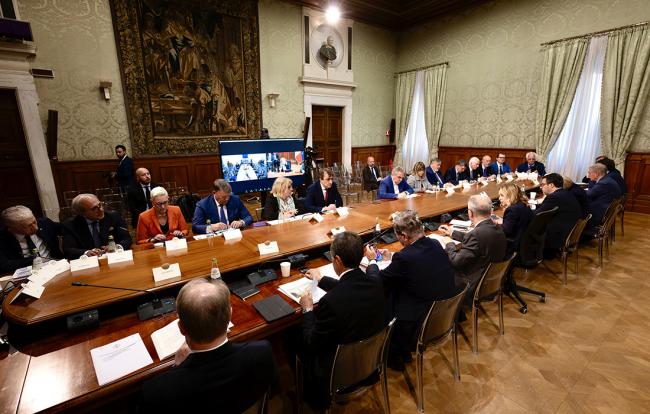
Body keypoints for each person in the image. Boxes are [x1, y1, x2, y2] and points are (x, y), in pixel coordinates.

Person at [141, 279, 277, 412]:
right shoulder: (262, 352)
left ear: (181, 328)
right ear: (230, 314)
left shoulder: (157, 391)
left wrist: (176, 367)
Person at [300, 232, 385, 409]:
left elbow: (310, 342)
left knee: (294, 338)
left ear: (337, 260)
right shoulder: (375, 283)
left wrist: (307, 309)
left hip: (339, 374)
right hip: (371, 364)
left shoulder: (330, 302)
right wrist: (321, 279)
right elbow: (351, 287)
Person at [364, 210, 456, 371]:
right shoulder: (434, 244)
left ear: (404, 236)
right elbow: (417, 262)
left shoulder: (404, 258)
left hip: (418, 324)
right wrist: (392, 257)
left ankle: (393, 352)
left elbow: (377, 281)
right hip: (442, 317)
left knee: (380, 299)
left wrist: (372, 262)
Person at [439, 194, 507, 299]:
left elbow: (456, 261)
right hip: (493, 281)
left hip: (473, 284)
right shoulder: (497, 227)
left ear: (470, 213)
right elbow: (479, 239)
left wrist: (449, 244)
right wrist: (452, 233)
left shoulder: (475, 235)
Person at [62, 194, 132, 259]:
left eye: (100, 205)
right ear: (82, 214)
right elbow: (68, 249)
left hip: (114, 258)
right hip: (89, 264)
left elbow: (126, 238)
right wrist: (86, 253)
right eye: (94, 208)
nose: (101, 210)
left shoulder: (113, 216)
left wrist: (117, 247)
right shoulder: (71, 225)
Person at [0, 205, 64, 273]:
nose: (35, 228)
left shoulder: (44, 223)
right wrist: (34, 260)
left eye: (34, 222)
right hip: (27, 273)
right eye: (28, 226)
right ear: (11, 229)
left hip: (56, 266)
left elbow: (68, 228)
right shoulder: (2, 239)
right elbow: (4, 265)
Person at [535, 173, 582, 256]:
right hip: (570, 232)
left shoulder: (554, 197)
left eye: (542, 184)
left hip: (559, 236)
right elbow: (546, 207)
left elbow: (538, 214)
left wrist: (524, 210)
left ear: (551, 185)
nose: (540, 187)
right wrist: (534, 206)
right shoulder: (565, 193)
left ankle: (527, 257)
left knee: (528, 225)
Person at [493, 182, 533, 255]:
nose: (499, 198)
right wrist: (504, 221)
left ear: (510, 196)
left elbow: (505, 231)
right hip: (525, 241)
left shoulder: (512, 209)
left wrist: (493, 225)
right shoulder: (523, 204)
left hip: (513, 244)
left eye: (502, 195)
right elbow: (515, 222)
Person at [585, 163, 622, 231]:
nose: (588, 175)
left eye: (589, 173)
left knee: (576, 213)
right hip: (606, 210)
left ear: (596, 174)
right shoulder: (607, 180)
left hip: (599, 213)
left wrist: (578, 190)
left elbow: (589, 194)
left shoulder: (604, 183)